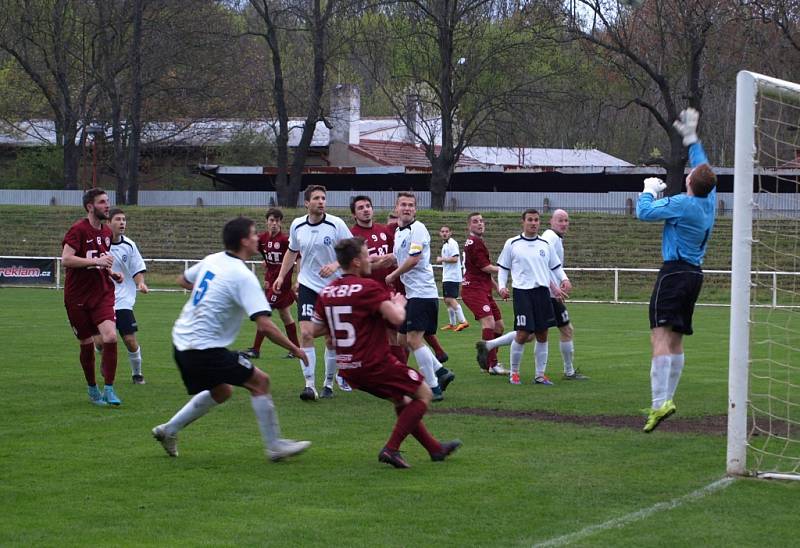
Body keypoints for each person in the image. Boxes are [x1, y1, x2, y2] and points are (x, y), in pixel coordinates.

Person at [152, 216, 311, 461]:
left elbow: (183, 279)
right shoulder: (242, 276)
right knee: (261, 382)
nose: (258, 237)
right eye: (254, 234)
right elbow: (265, 325)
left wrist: (208, 302)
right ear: (244, 241)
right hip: (204, 348)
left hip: (181, 342)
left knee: (222, 391)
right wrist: (296, 348)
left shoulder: (213, 259)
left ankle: (169, 430)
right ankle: (274, 446)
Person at [312, 237, 461, 468]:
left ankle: (435, 449)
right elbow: (397, 319)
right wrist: (399, 303)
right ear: (356, 262)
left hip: (349, 369)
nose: (371, 257)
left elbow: (315, 330)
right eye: (366, 255)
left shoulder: (328, 292)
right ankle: (391, 449)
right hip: (374, 363)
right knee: (424, 394)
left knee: (401, 399)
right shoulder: (369, 287)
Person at [636, 107, 717, 433]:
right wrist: (691, 137)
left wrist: (648, 189)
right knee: (677, 339)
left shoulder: (683, 204)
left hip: (674, 273)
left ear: (689, 181)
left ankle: (659, 405)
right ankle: (667, 399)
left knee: (659, 336)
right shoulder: (709, 200)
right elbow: (702, 168)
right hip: (695, 275)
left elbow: (644, 213)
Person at [273, 185, 353, 400]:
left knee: (331, 339)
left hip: (334, 288)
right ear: (307, 203)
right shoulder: (298, 225)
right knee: (306, 333)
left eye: (323, 198)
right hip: (308, 285)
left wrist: (336, 264)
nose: (321, 201)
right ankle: (309, 385)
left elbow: (352, 248)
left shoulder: (336, 224)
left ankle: (328, 383)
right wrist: (282, 276)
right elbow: (292, 252)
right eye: (316, 198)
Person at [385, 192, 455, 401]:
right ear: (396, 208)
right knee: (402, 339)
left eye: (410, 205)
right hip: (412, 293)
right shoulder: (399, 232)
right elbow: (397, 257)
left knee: (414, 339)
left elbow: (414, 259)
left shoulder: (418, 229)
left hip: (423, 293)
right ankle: (441, 372)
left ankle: (433, 387)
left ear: (415, 209)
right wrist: (376, 260)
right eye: (403, 205)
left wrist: (392, 275)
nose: (407, 208)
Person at [61, 188, 124, 406]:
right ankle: (92, 388)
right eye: (102, 202)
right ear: (90, 207)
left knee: (110, 337)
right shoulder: (78, 230)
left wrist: (111, 272)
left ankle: (109, 388)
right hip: (77, 296)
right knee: (86, 343)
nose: (107, 205)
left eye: (107, 201)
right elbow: (66, 260)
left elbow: (101, 259)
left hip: (102, 293)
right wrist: (95, 263)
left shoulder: (107, 232)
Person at [496, 209, 571, 385]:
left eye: (536, 220)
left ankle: (540, 374)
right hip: (522, 292)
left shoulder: (545, 244)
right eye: (530, 220)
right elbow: (504, 268)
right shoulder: (512, 243)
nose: (533, 223)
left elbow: (555, 267)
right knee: (522, 334)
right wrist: (501, 286)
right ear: (523, 222)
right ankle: (514, 372)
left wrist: (564, 279)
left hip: (542, 292)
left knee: (542, 334)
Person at [349, 195, 408, 364]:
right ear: (354, 214)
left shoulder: (385, 230)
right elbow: (355, 267)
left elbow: (398, 255)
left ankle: (400, 371)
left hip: (387, 289)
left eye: (368, 206)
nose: (366, 209)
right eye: (360, 208)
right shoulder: (352, 236)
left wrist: (390, 258)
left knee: (395, 333)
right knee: (369, 335)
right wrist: (376, 264)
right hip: (365, 292)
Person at [459, 212, 512, 376]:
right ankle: (492, 364)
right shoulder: (474, 242)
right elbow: (486, 268)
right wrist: (508, 268)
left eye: (482, 221)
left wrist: (498, 289)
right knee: (488, 322)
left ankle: (487, 360)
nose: (480, 224)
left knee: (499, 326)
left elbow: (485, 273)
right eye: (475, 222)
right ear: (469, 226)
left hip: (483, 288)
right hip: (473, 289)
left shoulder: (477, 242)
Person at [244, 208, 300, 360]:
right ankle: (296, 349)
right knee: (285, 315)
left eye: (277, 221)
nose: (274, 224)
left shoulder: (285, 240)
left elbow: (298, 256)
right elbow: (264, 253)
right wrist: (266, 262)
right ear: (266, 222)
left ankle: (255, 349)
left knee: (263, 312)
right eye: (271, 220)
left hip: (282, 283)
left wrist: (299, 277)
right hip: (271, 281)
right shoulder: (262, 238)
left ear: (281, 223)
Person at [540, 209, 588, 381]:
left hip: (551, 293)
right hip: (547, 294)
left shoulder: (555, 238)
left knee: (564, 329)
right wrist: (554, 287)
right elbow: (542, 264)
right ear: (551, 221)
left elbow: (554, 266)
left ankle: (569, 371)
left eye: (566, 220)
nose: (564, 224)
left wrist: (562, 280)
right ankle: (490, 345)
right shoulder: (550, 238)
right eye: (560, 220)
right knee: (531, 334)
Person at [107, 208, 150, 384]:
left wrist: (140, 282)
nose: (122, 222)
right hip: (102, 299)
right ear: (108, 222)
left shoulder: (129, 245)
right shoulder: (99, 244)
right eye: (118, 219)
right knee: (103, 342)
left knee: (129, 340)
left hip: (123, 300)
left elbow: (137, 268)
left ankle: (137, 374)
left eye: (124, 219)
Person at [436, 226, 469, 332]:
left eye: (446, 231)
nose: (444, 233)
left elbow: (455, 259)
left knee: (450, 299)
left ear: (451, 233)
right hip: (447, 275)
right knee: (446, 300)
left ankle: (463, 321)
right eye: (442, 231)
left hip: (452, 276)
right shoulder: (445, 244)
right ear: (440, 233)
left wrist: (442, 259)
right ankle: (452, 323)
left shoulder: (452, 243)